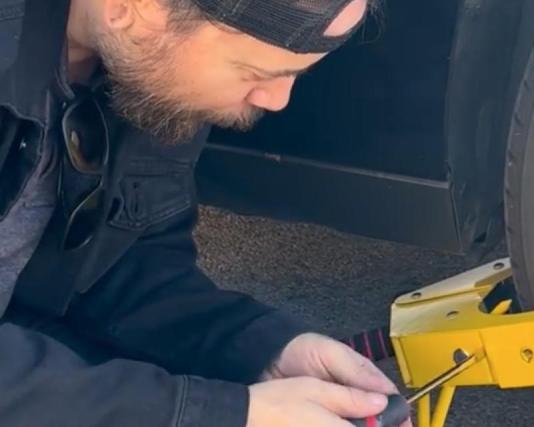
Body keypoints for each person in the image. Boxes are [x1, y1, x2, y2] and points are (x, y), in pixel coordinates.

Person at [0, 0, 411, 426]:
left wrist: (261, 348)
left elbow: (119, 263)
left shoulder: (149, 64)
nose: (277, 100)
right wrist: (220, 413)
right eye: (255, 73)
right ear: (130, 8)